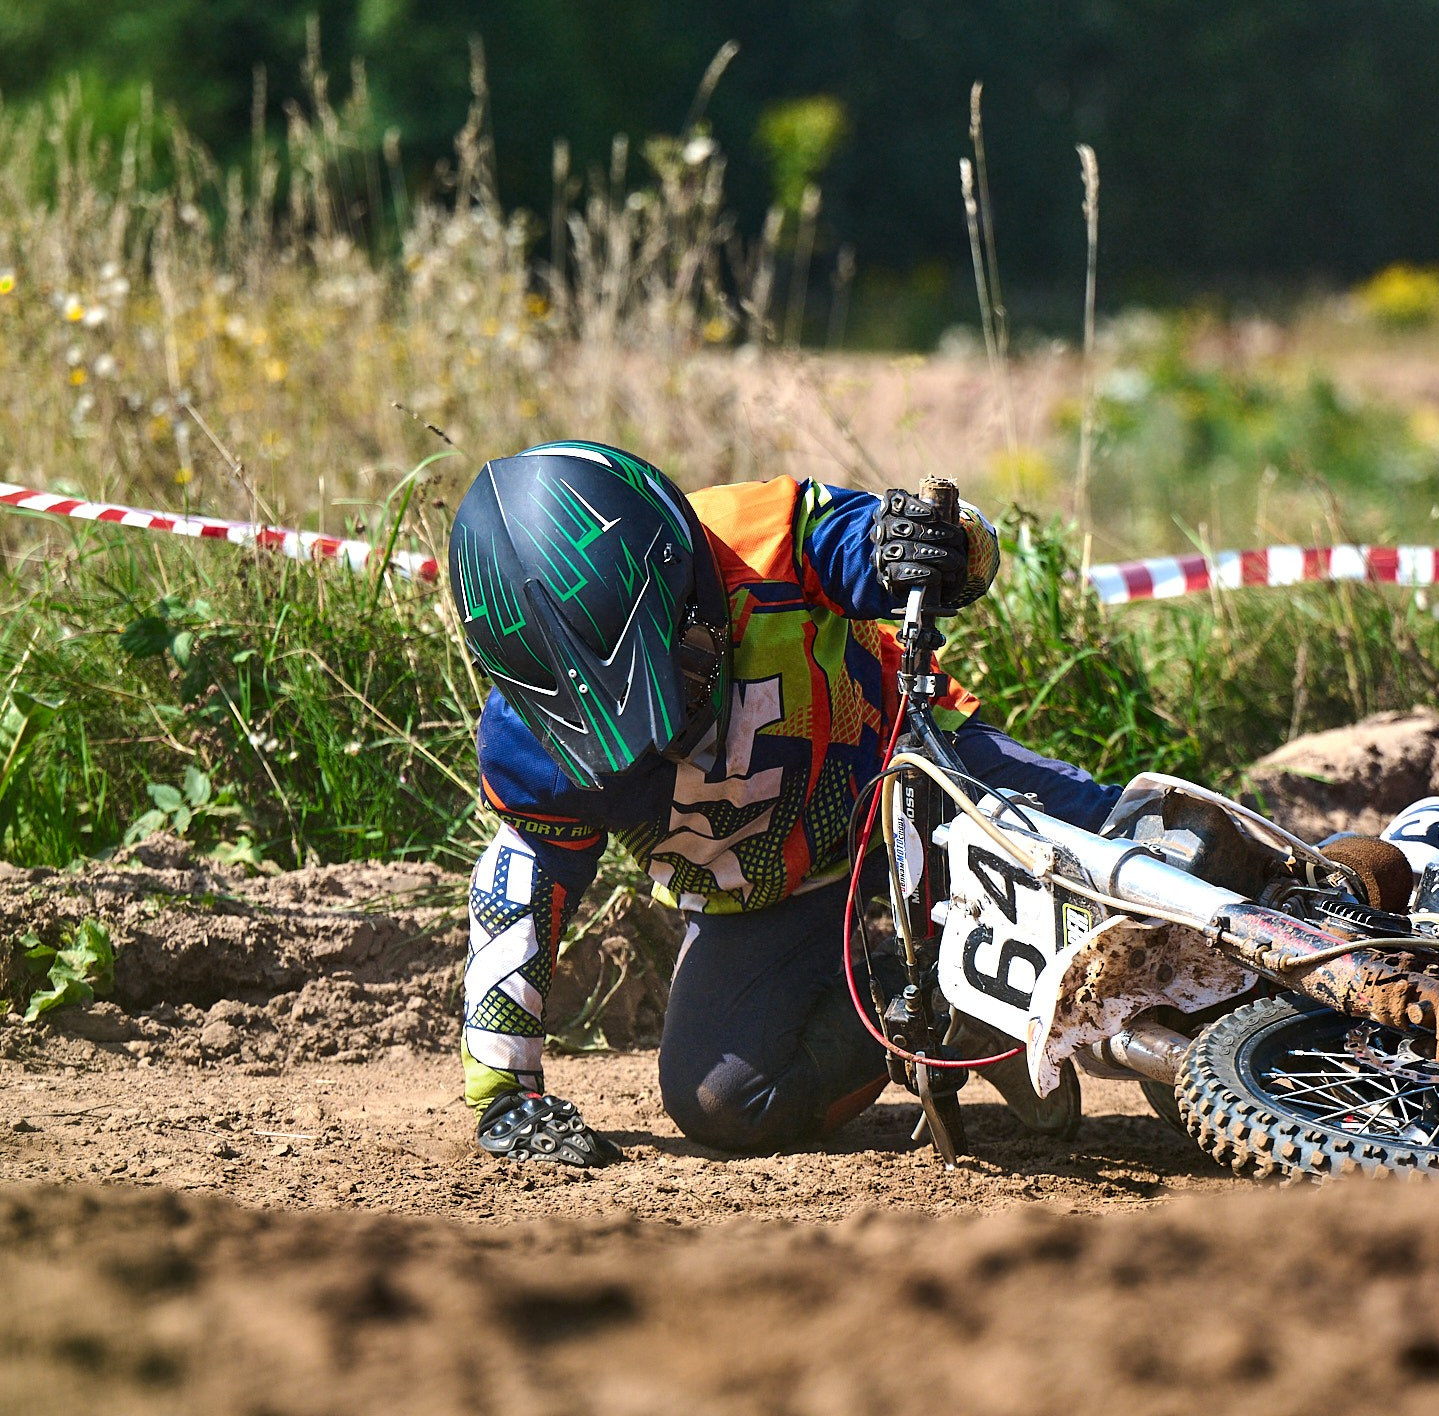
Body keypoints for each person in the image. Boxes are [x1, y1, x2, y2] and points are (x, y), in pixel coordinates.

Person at [443, 442, 1118, 1164]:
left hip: (918, 767)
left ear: (685, 578)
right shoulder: (528, 744)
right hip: (772, 895)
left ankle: (1247, 898)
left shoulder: (767, 535)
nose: (665, 734)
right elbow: (523, 883)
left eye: (679, 666)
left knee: (1121, 848)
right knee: (724, 1102)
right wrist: (506, 1096)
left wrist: (924, 544)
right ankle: (952, 1003)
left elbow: (897, 547)